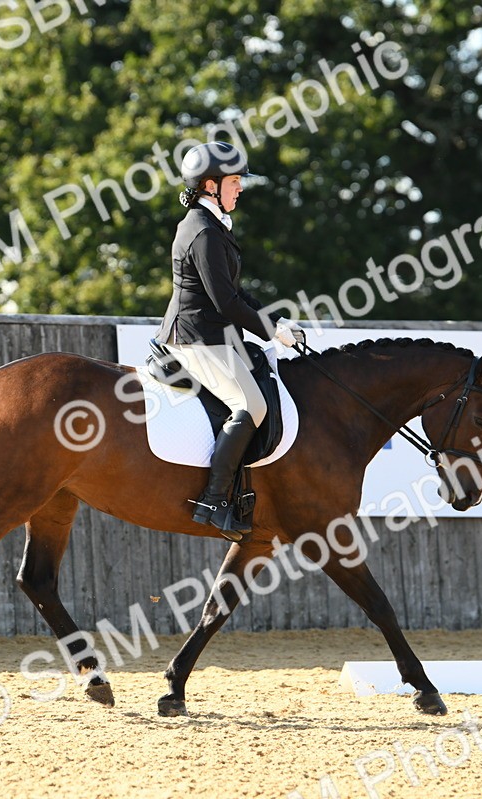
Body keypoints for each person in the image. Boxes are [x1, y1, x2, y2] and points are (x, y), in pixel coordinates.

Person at [155, 141, 305, 539]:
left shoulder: (214, 227)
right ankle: (214, 499)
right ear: (210, 185)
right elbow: (226, 302)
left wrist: (276, 320)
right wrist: (271, 331)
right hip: (195, 338)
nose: (240, 188)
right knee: (250, 404)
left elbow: (236, 292)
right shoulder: (202, 232)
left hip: (213, 335)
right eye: (234, 181)